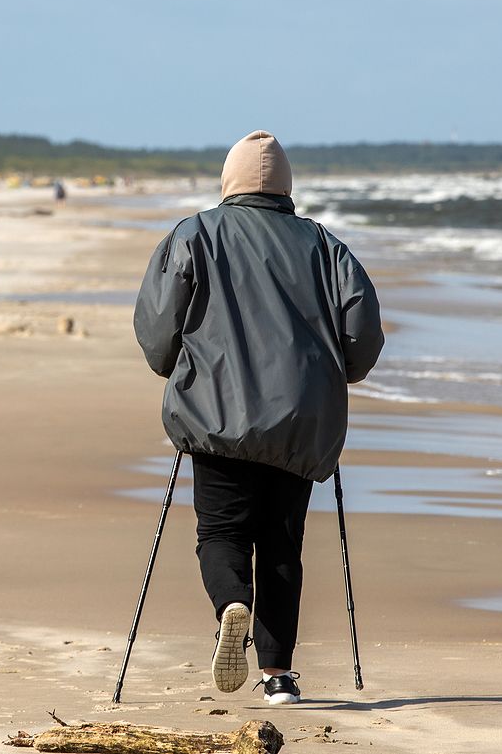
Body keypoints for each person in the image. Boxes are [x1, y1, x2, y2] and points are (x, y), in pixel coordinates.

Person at [133, 130, 383, 706]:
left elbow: (156, 329)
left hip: (216, 418)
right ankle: (277, 676)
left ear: (229, 182)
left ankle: (230, 607)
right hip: (300, 421)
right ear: (286, 187)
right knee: (281, 545)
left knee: (219, 533)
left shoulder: (194, 234)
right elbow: (362, 333)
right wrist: (337, 374)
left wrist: (176, 366)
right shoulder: (325, 246)